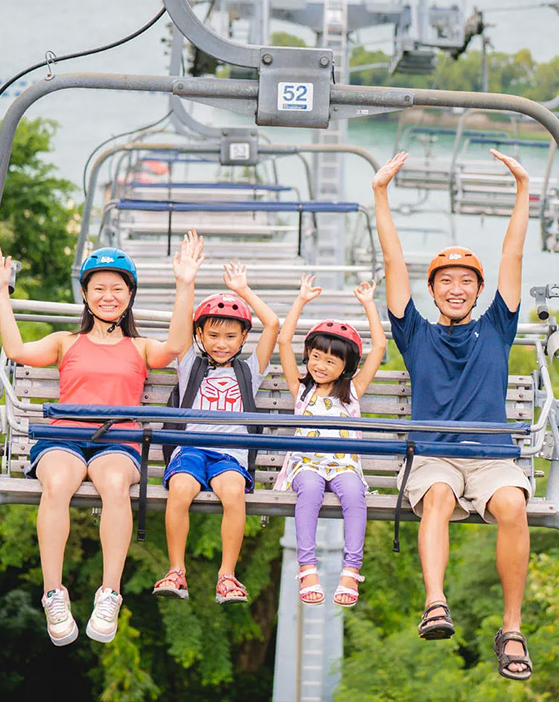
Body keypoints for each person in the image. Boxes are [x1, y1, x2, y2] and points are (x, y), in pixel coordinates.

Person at [371, 149, 534, 681]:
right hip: (434, 455)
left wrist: (522, 191)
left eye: (467, 282)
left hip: (491, 458)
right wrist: (380, 195)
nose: (456, 288)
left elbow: (513, 257)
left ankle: (511, 628)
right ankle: (435, 602)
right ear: (433, 290)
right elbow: (394, 264)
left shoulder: (497, 328)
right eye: (446, 281)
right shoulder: (415, 333)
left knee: (512, 503)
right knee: (437, 496)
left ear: (480, 291)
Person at [0, 239, 189, 646]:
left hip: (118, 441)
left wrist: (185, 285)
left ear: (129, 297)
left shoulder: (139, 347)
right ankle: (53, 593)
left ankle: (109, 593)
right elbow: (16, 349)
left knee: (114, 485)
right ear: (87, 296)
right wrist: (1, 291)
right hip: (66, 437)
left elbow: (175, 346)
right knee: (57, 483)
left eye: (117, 289)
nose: (108, 297)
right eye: (99, 289)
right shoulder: (65, 342)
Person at [151, 231, 280, 605]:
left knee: (233, 493)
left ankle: (228, 574)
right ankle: (176, 570)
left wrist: (243, 289)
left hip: (230, 454)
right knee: (180, 490)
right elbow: (178, 333)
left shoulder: (249, 371)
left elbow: (271, 325)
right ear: (201, 336)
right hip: (191, 448)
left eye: (230, 337)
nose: (221, 343)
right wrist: (185, 282)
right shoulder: (189, 364)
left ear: (242, 341)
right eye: (213, 335)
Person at [275, 275, 386, 607]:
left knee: (354, 494)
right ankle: (307, 567)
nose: (320, 366)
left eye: (330, 361)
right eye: (315, 357)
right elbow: (283, 342)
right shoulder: (302, 389)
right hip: (306, 464)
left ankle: (351, 570)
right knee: (308, 491)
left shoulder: (351, 393)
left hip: (343, 465)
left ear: (345, 367)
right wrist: (301, 301)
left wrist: (368, 305)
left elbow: (379, 347)